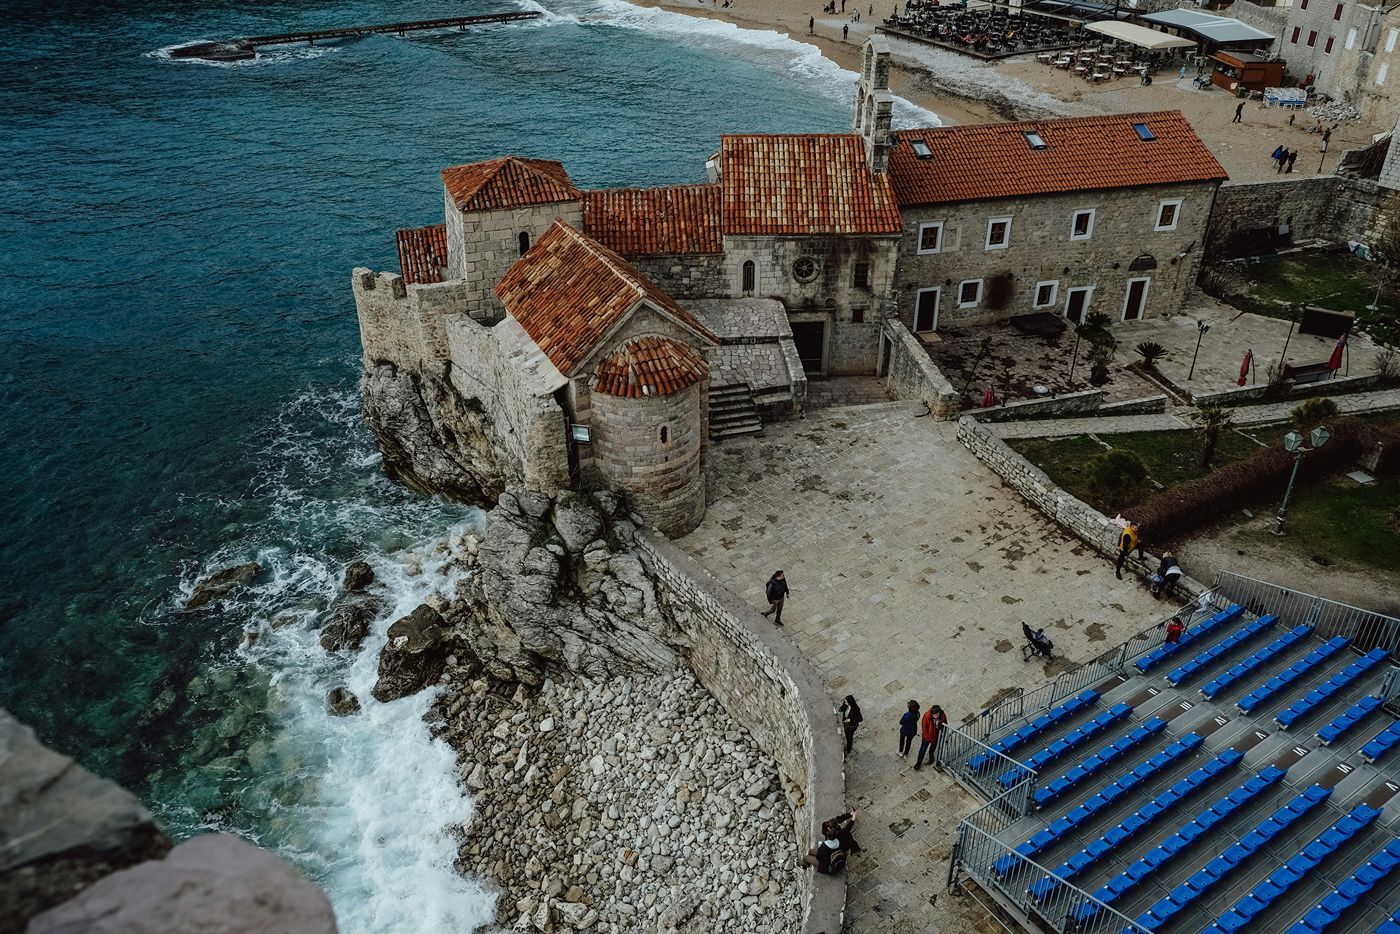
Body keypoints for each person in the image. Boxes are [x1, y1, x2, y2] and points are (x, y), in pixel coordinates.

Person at [913, 703, 948, 770]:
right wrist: (926, 737)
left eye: (937, 714)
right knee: (923, 749)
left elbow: (945, 724)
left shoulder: (942, 715)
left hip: (936, 735)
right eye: (935, 715)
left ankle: (931, 758)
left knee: (932, 749)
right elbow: (924, 727)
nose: (936, 716)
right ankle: (918, 763)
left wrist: (942, 729)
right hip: (927, 736)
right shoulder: (927, 715)